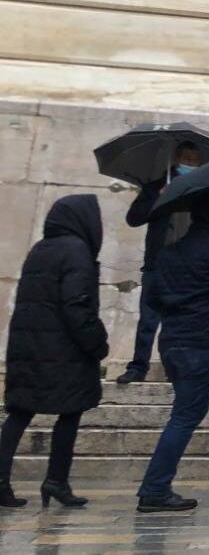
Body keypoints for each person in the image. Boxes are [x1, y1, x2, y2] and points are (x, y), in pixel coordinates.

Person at [0, 196, 110, 510]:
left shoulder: (40, 249)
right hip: (64, 350)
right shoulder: (76, 251)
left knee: (20, 413)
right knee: (71, 411)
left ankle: (2, 480)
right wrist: (97, 343)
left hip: (30, 347)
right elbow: (77, 304)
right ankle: (56, 480)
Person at [134, 195, 209, 512]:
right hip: (202, 344)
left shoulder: (171, 251)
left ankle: (156, 487)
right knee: (184, 417)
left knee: (183, 413)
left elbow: (153, 297)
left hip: (172, 343)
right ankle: (154, 488)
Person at [116, 141, 204, 385]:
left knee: (179, 321)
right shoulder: (156, 186)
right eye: (186, 159)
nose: (190, 164)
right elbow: (134, 218)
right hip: (157, 262)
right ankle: (138, 366)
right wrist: (158, 198)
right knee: (148, 318)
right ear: (176, 159)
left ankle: (173, 367)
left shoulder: (201, 188)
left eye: (194, 160)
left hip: (187, 264)